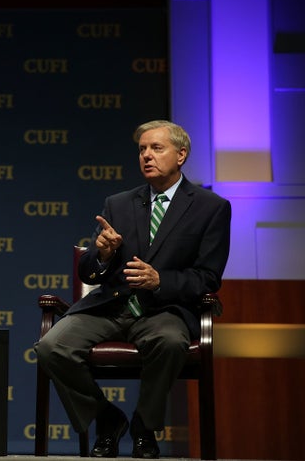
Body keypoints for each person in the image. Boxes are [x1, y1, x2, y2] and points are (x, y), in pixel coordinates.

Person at [35, 120, 231, 459]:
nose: (146, 156)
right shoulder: (119, 203)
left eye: (156, 148)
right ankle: (107, 419)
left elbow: (208, 278)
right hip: (111, 306)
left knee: (169, 341)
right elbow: (90, 271)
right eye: (142, 149)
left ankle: (145, 427)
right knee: (51, 345)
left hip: (164, 309)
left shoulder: (211, 208)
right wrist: (104, 254)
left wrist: (161, 281)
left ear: (181, 154)